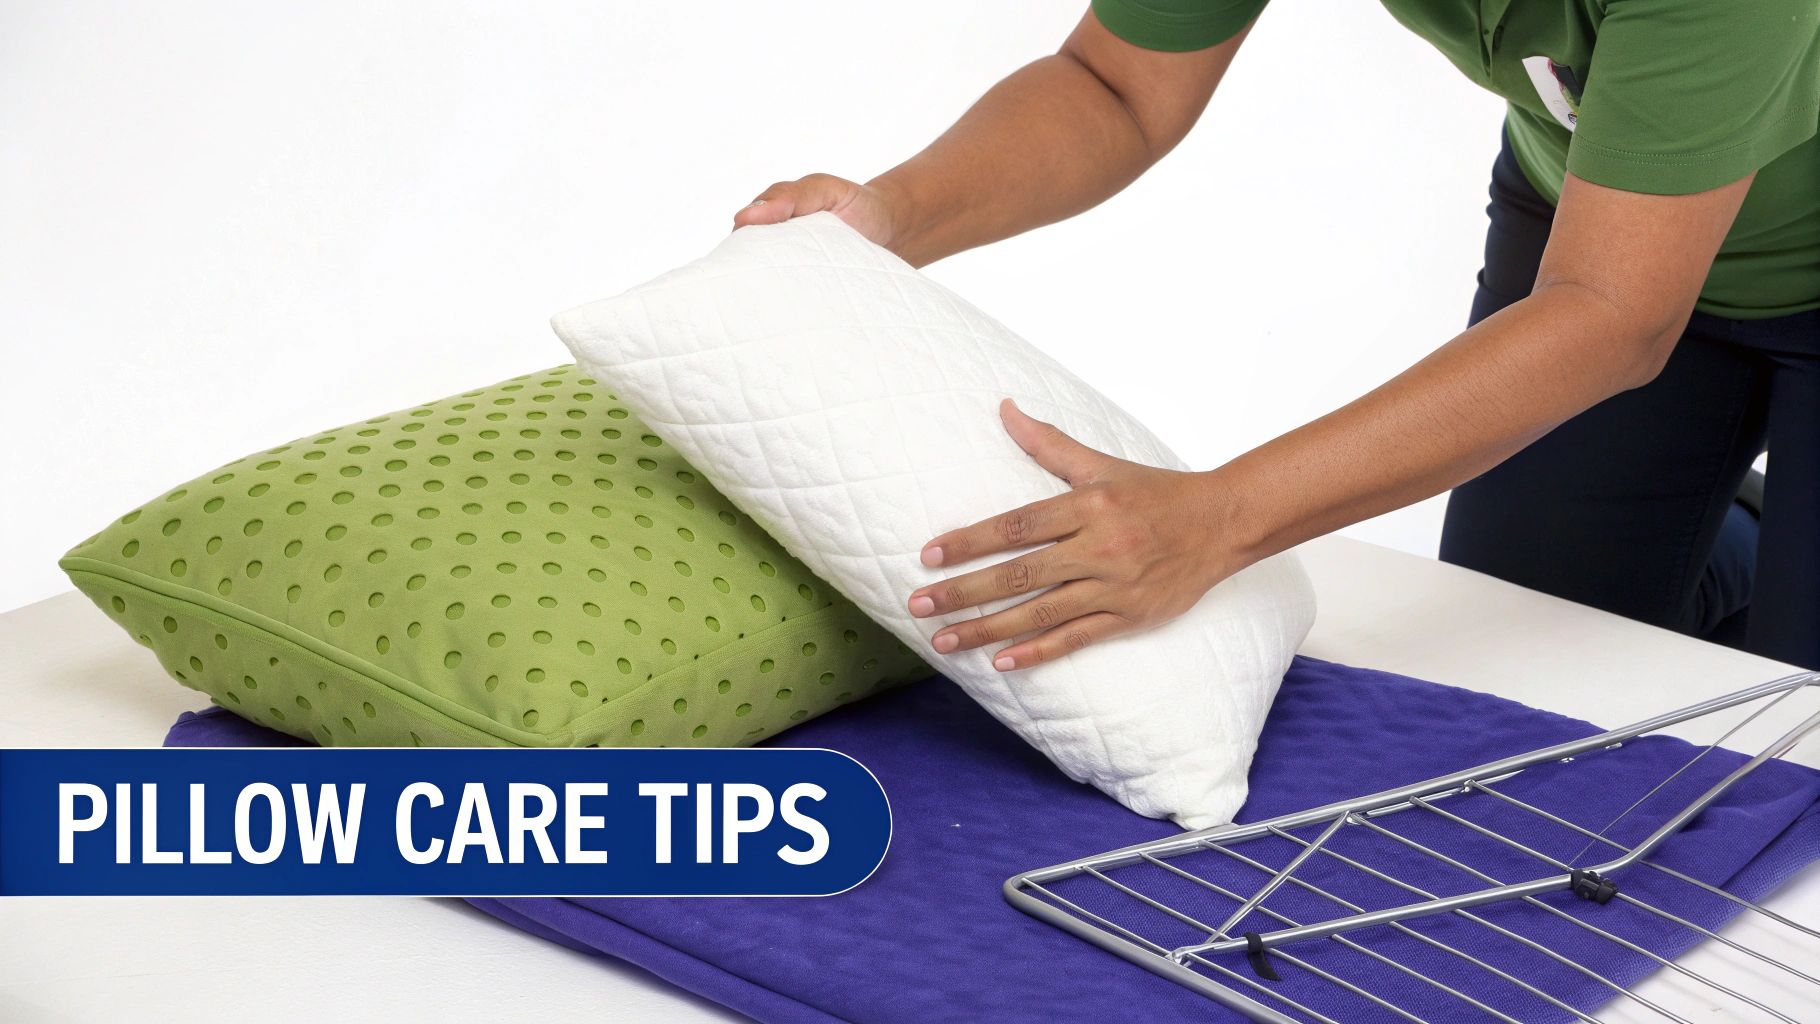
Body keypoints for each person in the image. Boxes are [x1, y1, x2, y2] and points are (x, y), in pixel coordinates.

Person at [732, 2, 1820, 671]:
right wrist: (891, 215)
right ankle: (1750, 534)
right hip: (1596, 219)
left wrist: (1218, 518)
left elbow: (1611, 317)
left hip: (1620, 285)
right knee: (1532, 655)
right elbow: (1118, 84)